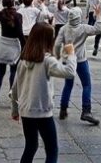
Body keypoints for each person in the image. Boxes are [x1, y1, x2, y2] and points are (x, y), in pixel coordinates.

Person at [11, 23, 77, 163]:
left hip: (26, 110)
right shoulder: (47, 60)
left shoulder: (23, 59)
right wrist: (70, 55)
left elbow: (15, 87)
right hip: (42, 111)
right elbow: (70, 73)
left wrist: (15, 109)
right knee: (52, 149)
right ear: (48, 40)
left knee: (31, 146)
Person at [55, 7, 101, 125]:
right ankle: (86, 111)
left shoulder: (63, 29)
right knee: (86, 85)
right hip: (81, 60)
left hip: (68, 60)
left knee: (68, 85)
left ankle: (63, 109)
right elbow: (99, 29)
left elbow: (57, 44)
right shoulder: (83, 28)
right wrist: (98, 15)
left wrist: (58, 57)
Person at [0, 0, 26, 106]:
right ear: (14, 3)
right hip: (14, 45)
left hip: (3, 44)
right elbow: (20, 33)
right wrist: (25, 46)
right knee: (14, 71)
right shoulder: (18, 15)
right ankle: (12, 91)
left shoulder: (2, 14)